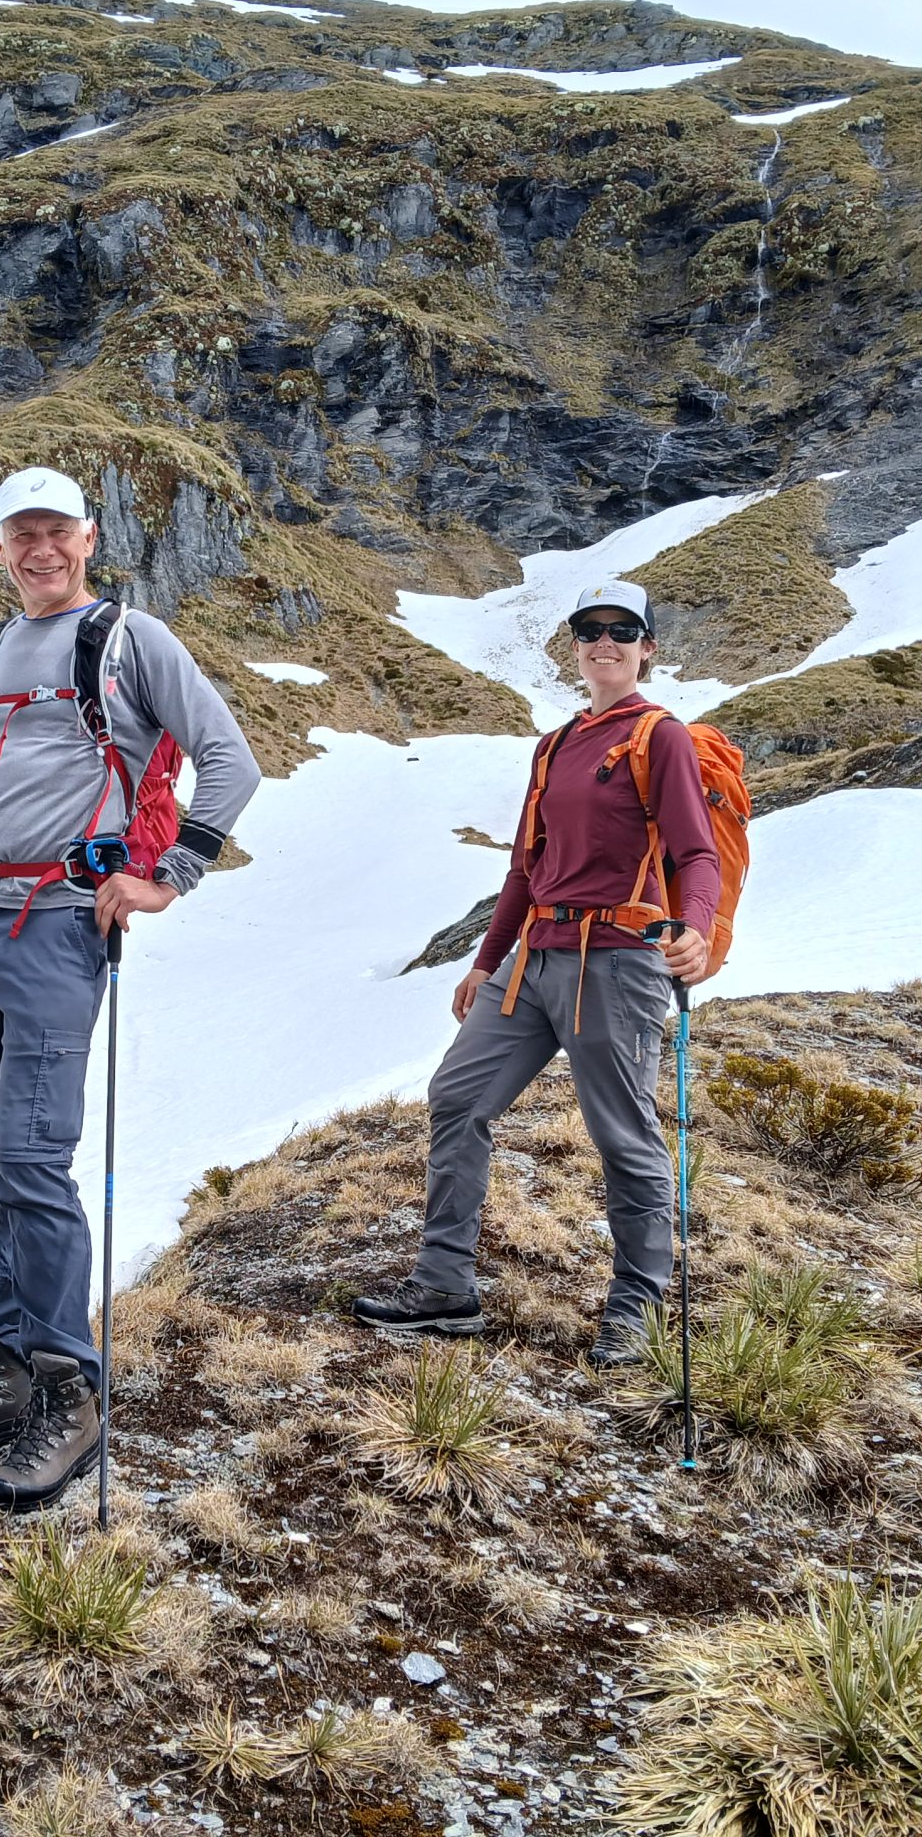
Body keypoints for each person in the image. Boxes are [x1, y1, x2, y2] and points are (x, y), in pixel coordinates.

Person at [0, 466, 261, 1510]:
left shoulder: (130, 641)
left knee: (28, 1161)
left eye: (56, 531)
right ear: (0, 546)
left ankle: (68, 1391)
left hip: (58, 924)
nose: (39, 550)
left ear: (89, 538)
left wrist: (167, 875)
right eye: (21, 535)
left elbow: (228, 761)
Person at [353, 580, 719, 1367]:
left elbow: (695, 852)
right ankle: (445, 1286)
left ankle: (636, 1307)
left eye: (623, 630)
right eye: (590, 630)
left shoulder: (662, 737)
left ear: (647, 647)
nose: (605, 642)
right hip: (535, 958)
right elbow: (526, 867)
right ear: (575, 646)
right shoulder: (552, 746)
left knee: (623, 1134)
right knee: (457, 1096)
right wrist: (487, 962)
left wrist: (695, 924)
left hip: (617, 960)